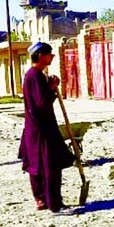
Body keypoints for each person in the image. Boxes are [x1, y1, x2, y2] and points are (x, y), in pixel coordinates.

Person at [18, 42, 75, 212]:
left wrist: (50, 88)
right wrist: (51, 89)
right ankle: (54, 205)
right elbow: (41, 104)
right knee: (50, 166)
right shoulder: (34, 76)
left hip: (35, 128)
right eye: (50, 54)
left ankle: (41, 200)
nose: (52, 57)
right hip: (42, 129)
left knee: (38, 166)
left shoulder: (35, 75)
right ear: (41, 55)